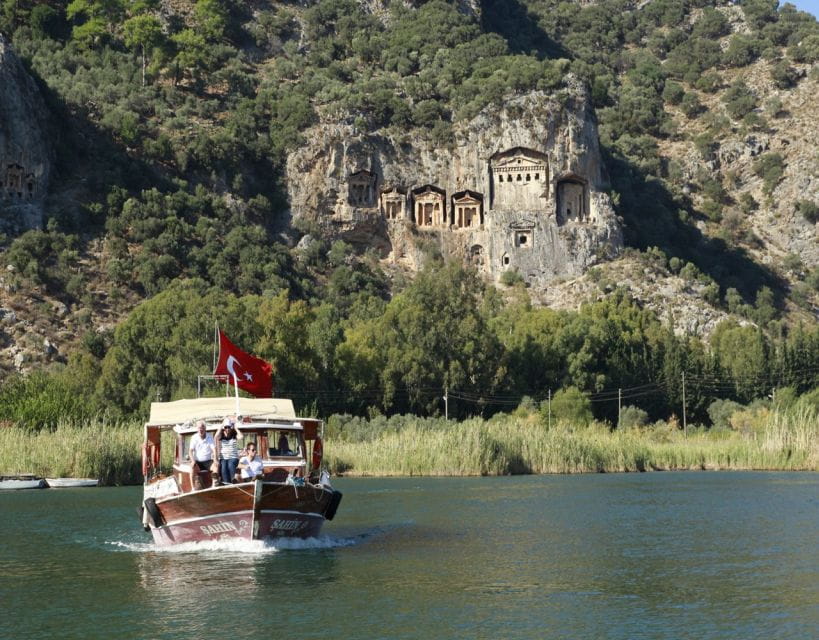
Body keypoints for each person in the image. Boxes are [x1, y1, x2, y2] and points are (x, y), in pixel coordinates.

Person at [215, 417, 243, 485]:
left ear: (231, 427)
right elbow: (216, 436)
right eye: (226, 427)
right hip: (223, 458)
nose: (227, 429)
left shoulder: (234, 435)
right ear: (224, 428)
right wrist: (221, 425)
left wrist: (236, 428)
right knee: (223, 468)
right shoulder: (221, 435)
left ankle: (234, 481)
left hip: (233, 457)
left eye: (229, 427)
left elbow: (241, 437)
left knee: (231, 465)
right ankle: (227, 484)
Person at [189, 420, 216, 490]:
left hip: (208, 461)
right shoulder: (194, 437)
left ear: (205, 429)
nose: (201, 430)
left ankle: (214, 485)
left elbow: (214, 449)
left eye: (202, 428)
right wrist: (192, 461)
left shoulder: (209, 437)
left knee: (216, 466)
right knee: (191, 468)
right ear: (197, 429)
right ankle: (193, 488)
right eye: (199, 428)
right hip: (198, 462)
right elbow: (190, 451)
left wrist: (215, 459)